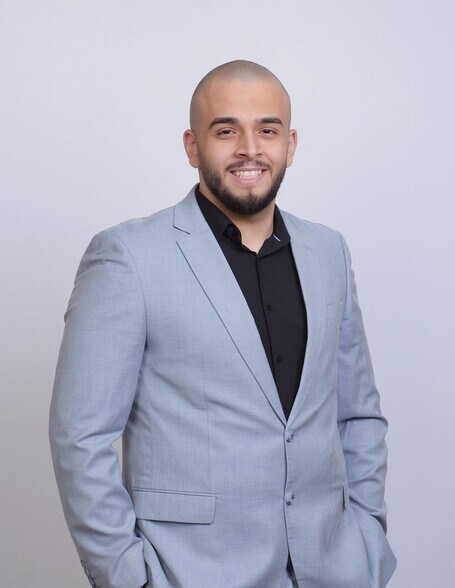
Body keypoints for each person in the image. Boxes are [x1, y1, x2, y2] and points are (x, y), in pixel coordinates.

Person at [49, 60, 396, 588]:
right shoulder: (128, 257)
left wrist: (367, 536)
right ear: (192, 146)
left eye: (268, 130)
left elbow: (358, 413)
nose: (249, 149)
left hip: (333, 570)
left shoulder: (328, 252)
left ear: (291, 144)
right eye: (226, 130)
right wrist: (128, 577)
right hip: (189, 572)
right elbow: (80, 437)